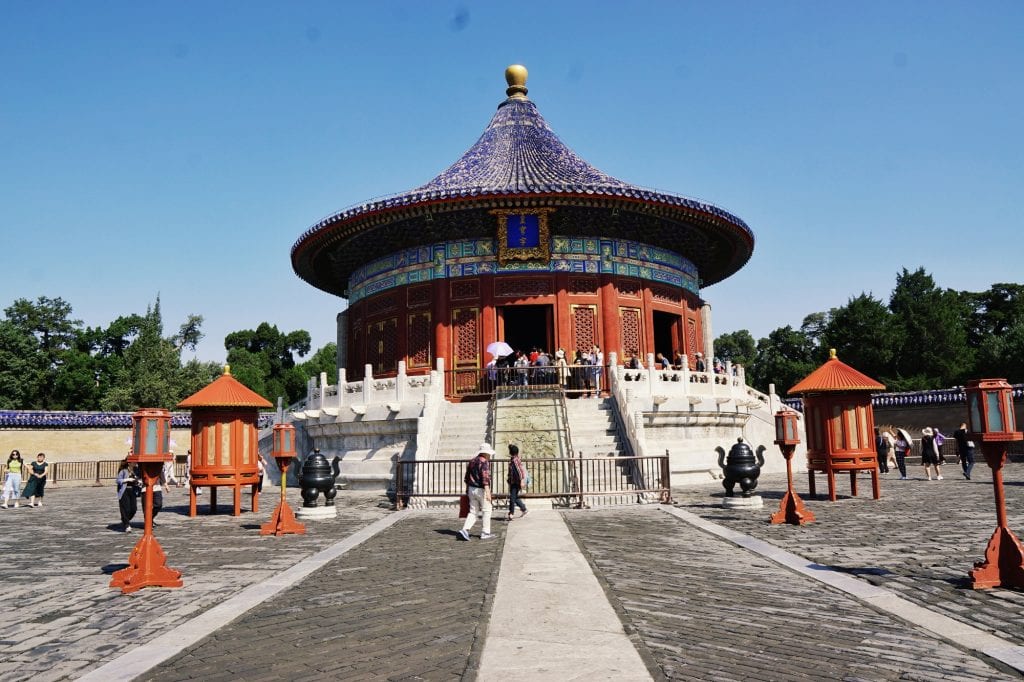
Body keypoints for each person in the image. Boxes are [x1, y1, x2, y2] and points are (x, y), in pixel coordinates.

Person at [458, 443, 495, 540]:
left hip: (471, 488)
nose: (490, 455)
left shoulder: (472, 461)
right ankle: (485, 532)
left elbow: (466, 478)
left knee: (473, 511)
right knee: (487, 510)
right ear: (486, 453)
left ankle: (465, 529)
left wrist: (467, 490)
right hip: (481, 489)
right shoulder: (484, 462)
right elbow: (485, 479)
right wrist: (488, 493)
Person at [115, 459, 140, 532]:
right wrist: (127, 479)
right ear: (129, 462)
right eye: (134, 461)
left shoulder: (136, 470)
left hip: (133, 491)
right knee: (126, 508)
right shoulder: (123, 471)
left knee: (134, 509)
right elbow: (118, 480)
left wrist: (138, 481)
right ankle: (127, 524)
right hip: (124, 491)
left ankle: (125, 519)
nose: (136, 463)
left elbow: (138, 478)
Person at [506, 444, 528, 520]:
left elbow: (520, 471)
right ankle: (524, 509)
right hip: (513, 482)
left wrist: (521, 480)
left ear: (511, 452)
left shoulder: (515, 460)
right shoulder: (514, 458)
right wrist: (510, 444)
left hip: (516, 482)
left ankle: (511, 513)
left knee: (512, 498)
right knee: (515, 497)